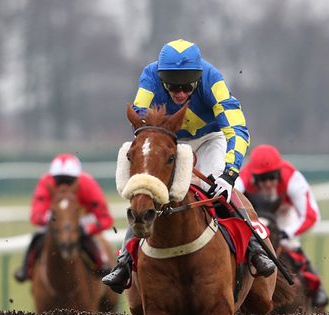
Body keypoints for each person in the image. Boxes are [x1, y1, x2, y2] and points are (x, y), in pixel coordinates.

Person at [102, 38, 276, 293]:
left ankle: (254, 248)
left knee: (216, 190)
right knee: (147, 192)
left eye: (187, 86)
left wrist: (229, 174)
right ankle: (125, 261)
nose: (181, 92)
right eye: (173, 86)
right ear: (162, 78)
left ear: (198, 77)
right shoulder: (149, 76)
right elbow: (139, 116)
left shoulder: (212, 79)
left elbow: (237, 129)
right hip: (169, 139)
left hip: (210, 140)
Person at [235, 144, 329, 308]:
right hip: (255, 215)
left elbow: (311, 215)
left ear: (279, 173)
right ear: (253, 176)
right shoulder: (242, 179)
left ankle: (315, 287)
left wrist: (287, 233)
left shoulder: (293, 178)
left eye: (272, 177)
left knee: (290, 245)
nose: (268, 183)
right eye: (262, 179)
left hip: (284, 216)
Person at [13, 153, 114, 282]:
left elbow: (105, 218)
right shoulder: (45, 183)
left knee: (89, 238)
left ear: (77, 178)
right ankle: (26, 269)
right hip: (55, 222)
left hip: (83, 220)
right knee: (37, 237)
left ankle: (103, 266)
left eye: (69, 181)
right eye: (59, 180)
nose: (64, 186)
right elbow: (35, 216)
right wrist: (54, 220)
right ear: (52, 178)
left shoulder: (88, 184)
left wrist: (87, 228)